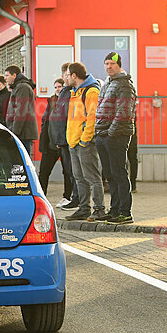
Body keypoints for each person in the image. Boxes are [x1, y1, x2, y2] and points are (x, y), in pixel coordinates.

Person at [94, 52, 137, 223]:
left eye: (112, 63)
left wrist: (111, 133)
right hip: (103, 134)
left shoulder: (125, 85)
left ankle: (125, 212)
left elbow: (123, 113)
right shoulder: (107, 84)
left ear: (119, 65)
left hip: (116, 135)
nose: (109, 66)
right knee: (110, 175)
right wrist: (99, 132)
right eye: (106, 63)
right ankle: (114, 210)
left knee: (119, 173)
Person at [65, 62, 105, 221]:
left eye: (67, 75)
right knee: (79, 178)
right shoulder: (75, 91)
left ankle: (99, 209)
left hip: (84, 143)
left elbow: (92, 118)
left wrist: (84, 140)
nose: (66, 78)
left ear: (74, 75)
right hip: (74, 142)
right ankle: (83, 208)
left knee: (92, 177)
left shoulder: (91, 91)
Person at [38, 78, 74, 200]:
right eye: (56, 87)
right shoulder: (52, 101)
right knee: (43, 172)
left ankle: (67, 197)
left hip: (64, 143)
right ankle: (41, 196)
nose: (58, 89)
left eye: (60, 86)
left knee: (68, 172)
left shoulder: (68, 101)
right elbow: (45, 121)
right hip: (50, 144)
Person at [55, 63, 79, 211]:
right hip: (63, 138)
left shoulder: (72, 92)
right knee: (69, 171)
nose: (66, 77)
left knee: (74, 171)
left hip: (70, 137)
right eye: (65, 74)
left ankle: (77, 199)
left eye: (67, 75)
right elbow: (60, 117)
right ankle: (73, 198)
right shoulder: (65, 91)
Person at [4, 65, 39, 158]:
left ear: (14, 75)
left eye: (7, 75)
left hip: (23, 133)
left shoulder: (22, 87)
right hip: (21, 132)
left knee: (23, 161)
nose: (5, 78)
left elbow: (20, 112)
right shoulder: (18, 87)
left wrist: (15, 133)